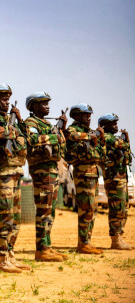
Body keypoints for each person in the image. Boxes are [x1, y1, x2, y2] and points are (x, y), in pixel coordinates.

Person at [0, 83, 31, 273]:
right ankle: (1, 258)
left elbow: (27, 140)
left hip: (15, 171)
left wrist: (19, 121)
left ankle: (10, 253)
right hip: (1, 172)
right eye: (2, 97)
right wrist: (13, 131)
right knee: (4, 216)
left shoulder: (7, 118)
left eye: (7, 97)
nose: (6, 101)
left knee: (15, 218)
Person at [24, 92, 69, 262]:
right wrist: (54, 137)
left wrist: (61, 131)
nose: (47, 106)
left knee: (49, 211)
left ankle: (47, 247)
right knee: (43, 211)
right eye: (43, 103)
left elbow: (59, 144)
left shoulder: (46, 124)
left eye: (48, 103)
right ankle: (41, 249)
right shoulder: (31, 122)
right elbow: (33, 139)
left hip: (51, 170)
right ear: (33, 106)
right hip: (41, 171)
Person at [64, 103, 105, 255]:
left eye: (89, 115)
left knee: (92, 209)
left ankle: (87, 241)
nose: (88, 118)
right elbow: (71, 136)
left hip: (93, 172)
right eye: (85, 115)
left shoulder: (90, 132)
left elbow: (100, 152)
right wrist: (93, 136)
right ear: (75, 116)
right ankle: (83, 244)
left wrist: (99, 138)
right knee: (85, 208)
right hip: (83, 173)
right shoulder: (73, 129)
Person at [98, 113, 134, 250]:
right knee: (116, 209)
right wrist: (125, 141)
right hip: (113, 179)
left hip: (120, 178)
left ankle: (119, 237)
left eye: (116, 123)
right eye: (112, 124)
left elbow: (127, 157)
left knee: (123, 208)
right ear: (104, 126)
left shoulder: (114, 139)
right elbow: (121, 145)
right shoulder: (107, 138)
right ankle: (115, 240)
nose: (116, 126)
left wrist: (126, 142)